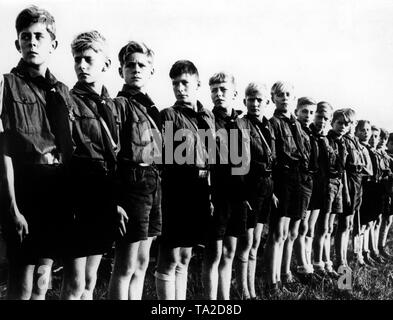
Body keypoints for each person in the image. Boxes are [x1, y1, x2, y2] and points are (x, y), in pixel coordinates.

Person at [0, 6, 73, 299]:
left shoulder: (62, 90)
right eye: (25, 36)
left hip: (54, 186)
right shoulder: (6, 84)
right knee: (21, 280)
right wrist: (12, 208)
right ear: (18, 43)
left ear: (52, 44)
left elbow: (69, 150)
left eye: (39, 36)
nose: (32, 42)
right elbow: (3, 151)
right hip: (23, 183)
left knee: (44, 279)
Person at [60, 31, 123, 300]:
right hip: (78, 196)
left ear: (105, 64)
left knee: (90, 279)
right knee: (73, 284)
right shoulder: (68, 100)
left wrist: (115, 201)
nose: (81, 66)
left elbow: (116, 154)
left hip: (103, 195)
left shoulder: (112, 105)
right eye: (77, 60)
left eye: (88, 59)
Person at [155, 60, 215, 300]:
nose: (180, 89)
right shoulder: (168, 115)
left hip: (200, 188)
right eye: (175, 84)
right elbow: (160, 158)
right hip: (176, 187)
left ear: (197, 84)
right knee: (169, 257)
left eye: (185, 83)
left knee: (186, 256)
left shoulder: (207, 116)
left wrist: (209, 193)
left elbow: (211, 158)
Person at [108, 41, 162, 300]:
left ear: (151, 71)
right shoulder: (118, 104)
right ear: (121, 71)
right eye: (130, 65)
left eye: (142, 65)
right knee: (125, 266)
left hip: (152, 182)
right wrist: (115, 199)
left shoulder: (151, 107)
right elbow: (111, 155)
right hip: (130, 183)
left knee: (142, 262)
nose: (136, 69)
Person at [202, 72, 247, 300]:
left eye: (223, 90)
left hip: (236, 197)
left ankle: (225, 301)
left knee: (229, 252)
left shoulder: (240, 123)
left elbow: (243, 163)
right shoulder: (207, 120)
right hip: (217, 196)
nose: (218, 94)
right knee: (213, 255)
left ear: (235, 93)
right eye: (214, 90)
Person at [235, 82, 276, 300]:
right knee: (246, 243)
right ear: (245, 101)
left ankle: (252, 290)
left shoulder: (267, 126)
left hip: (265, 187)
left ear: (266, 102)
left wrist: (272, 190)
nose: (256, 103)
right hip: (249, 188)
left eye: (260, 100)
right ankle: (243, 291)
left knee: (256, 243)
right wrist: (243, 195)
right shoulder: (240, 124)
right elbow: (238, 163)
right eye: (251, 99)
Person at [267, 81, 309, 295]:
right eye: (280, 94)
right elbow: (271, 158)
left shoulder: (298, 125)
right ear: (273, 97)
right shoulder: (272, 123)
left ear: (293, 99)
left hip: (298, 179)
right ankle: (273, 282)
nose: (284, 98)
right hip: (282, 178)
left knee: (292, 231)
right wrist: (273, 189)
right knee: (278, 233)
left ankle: (285, 275)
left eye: (288, 95)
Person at [313, 108, 347, 278]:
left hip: (338, 185)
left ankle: (328, 263)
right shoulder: (326, 140)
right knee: (323, 226)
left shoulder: (343, 143)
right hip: (327, 184)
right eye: (339, 122)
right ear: (332, 123)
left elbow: (343, 170)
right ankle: (318, 264)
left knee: (330, 228)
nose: (342, 126)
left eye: (346, 124)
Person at [306, 102, 334, 277]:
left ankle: (318, 264)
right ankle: (306, 265)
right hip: (309, 186)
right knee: (306, 229)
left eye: (326, 118)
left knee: (321, 228)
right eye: (319, 116)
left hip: (322, 187)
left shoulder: (324, 139)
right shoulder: (308, 134)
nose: (322, 121)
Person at [336, 108, 365, 271]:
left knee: (350, 225)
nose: (348, 125)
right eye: (344, 122)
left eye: (351, 122)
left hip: (357, 183)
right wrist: (346, 192)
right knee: (344, 224)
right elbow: (344, 170)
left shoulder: (355, 141)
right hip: (348, 184)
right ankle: (341, 262)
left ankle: (347, 259)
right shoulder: (344, 141)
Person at [377, 130, 393, 260]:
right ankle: (378, 247)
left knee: (388, 221)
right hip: (385, 192)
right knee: (382, 220)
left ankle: (381, 246)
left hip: (391, 193)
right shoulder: (385, 157)